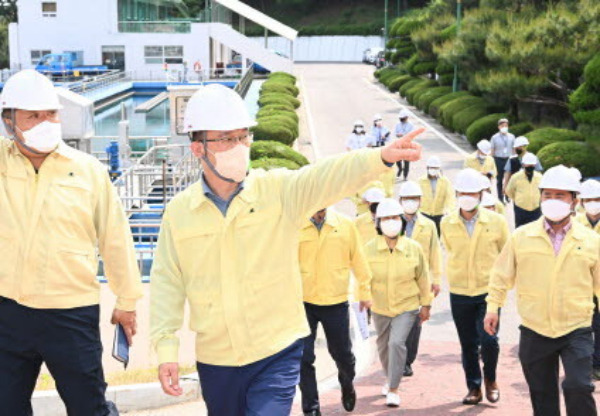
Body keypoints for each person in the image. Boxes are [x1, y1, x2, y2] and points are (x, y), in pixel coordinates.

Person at [149, 84, 425, 415]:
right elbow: (167, 281)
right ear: (198, 148)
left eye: (242, 137)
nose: (238, 147)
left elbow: (325, 177)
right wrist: (166, 347)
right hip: (216, 359)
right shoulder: (180, 212)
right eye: (226, 139)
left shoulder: (277, 190)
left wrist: (379, 157)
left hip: (276, 351)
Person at [0, 69, 143, 415]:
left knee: (88, 406)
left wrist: (127, 299)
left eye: (51, 113)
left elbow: (115, 237)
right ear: (9, 122)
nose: (45, 121)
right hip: (8, 310)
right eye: (33, 116)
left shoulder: (87, 170)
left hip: (71, 312)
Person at [485, 165, 600, 416]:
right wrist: (493, 307)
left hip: (576, 327)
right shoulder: (521, 237)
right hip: (534, 328)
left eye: (560, 196)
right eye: (548, 195)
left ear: (574, 200)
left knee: (579, 386)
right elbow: (501, 275)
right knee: (542, 395)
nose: (553, 201)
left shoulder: (591, 241)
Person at [441, 168, 509, 406]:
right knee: (468, 343)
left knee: (489, 341)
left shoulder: (497, 221)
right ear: (456, 193)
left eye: (473, 192)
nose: (467, 196)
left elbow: (505, 256)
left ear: (481, 194)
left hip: (488, 292)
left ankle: (491, 379)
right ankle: (474, 387)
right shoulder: (446, 223)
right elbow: (449, 250)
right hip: (460, 292)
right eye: (463, 192)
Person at [299, 208, 373, 416]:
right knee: (303, 358)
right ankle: (311, 408)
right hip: (304, 302)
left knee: (342, 355)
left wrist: (365, 291)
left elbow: (359, 259)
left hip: (335, 300)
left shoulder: (345, 224)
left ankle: (346, 382)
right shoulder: (296, 224)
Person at [365, 198, 432, 408]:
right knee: (383, 346)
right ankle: (389, 378)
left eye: (394, 218)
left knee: (396, 343)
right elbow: (363, 277)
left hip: (407, 306)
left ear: (402, 221)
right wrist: (363, 298)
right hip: (380, 306)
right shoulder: (369, 249)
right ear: (378, 223)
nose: (390, 222)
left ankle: (394, 388)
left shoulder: (414, 248)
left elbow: (423, 277)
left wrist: (426, 304)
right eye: (385, 218)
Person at [398, 181, 442, 377]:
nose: (410, 202)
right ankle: (395, 357)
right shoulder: (390, 222)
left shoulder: (429, 225)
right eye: (406, 199)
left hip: (419, 281)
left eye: (414, 199)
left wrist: (437, 279)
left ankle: (407, 361)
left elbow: (435, 253)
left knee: (415, 323)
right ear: (400, 201)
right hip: (395, 278)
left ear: (420, 201)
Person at [576, 179, 600, 381]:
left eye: (597, 199)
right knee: (583, 325)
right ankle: (585, 363)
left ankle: (597, 364)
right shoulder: (575, 223)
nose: (593, 203)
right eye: (589, 199)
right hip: (581, 283)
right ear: (581, 202)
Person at [418, 155, 456, 235]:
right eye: (431, 167)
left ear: (439, 169)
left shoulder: (445, 181)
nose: (433, 170)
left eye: (435, 168)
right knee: (424, 237)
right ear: (427, 168)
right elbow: (416, 197)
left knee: (437, 238)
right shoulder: (421, 181)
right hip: (424, 213)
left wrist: (449, 211)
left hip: (439, 214)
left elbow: (450, 197)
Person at [505, 153, 542, 228]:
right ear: (523, 164)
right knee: (520, 230)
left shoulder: (539, 177)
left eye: (532, 165)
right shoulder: (516, 177)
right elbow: (509, 191)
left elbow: (543, 191)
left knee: (535, 229)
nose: (530, 167)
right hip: (520, 208)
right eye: (528, 165)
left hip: (536, 208)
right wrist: (519, 199)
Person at [490, 118, 515, 199]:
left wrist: (515, 159)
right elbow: (492, 150)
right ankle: (500, 197)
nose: (504, 127)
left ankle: (507, 195)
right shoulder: (494, 137)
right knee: (499, 179)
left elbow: (514, 149)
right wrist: (491, 161)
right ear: (499, 127)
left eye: (506, 125)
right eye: (502, 125)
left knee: (509, 179)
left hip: (509, 159)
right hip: (499, 159)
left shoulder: (512, 136)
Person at [395, 110, 414, 181]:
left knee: (406, 161)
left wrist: (403, 135)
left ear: (407, 117)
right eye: (400, 118)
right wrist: (398, 135)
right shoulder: (398, 124)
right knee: (397, 159)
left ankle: (405, 175)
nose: (401, 119)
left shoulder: (411, 125)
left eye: (403, 118)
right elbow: (395, 133)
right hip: (399, 144)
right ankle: (400, 168)